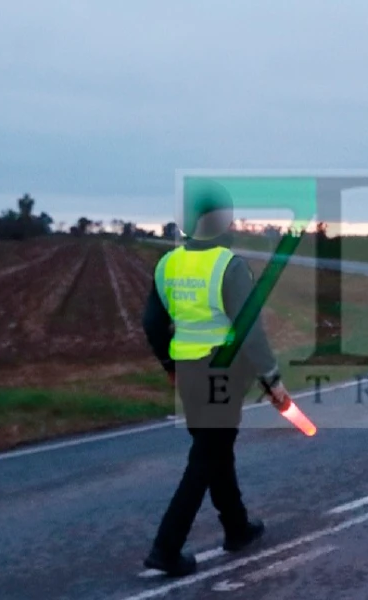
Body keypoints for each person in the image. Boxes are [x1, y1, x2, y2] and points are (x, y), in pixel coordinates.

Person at [141, 178, 293, 577]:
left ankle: (236, 526)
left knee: (215, 449)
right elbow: (250, 331)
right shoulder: (229, 265)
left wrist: (170, 367)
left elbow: (153, 324)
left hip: (188, 374)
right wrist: (272, 381)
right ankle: (166, 547)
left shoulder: (167, 265)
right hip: (222, 373)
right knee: (207, 456)